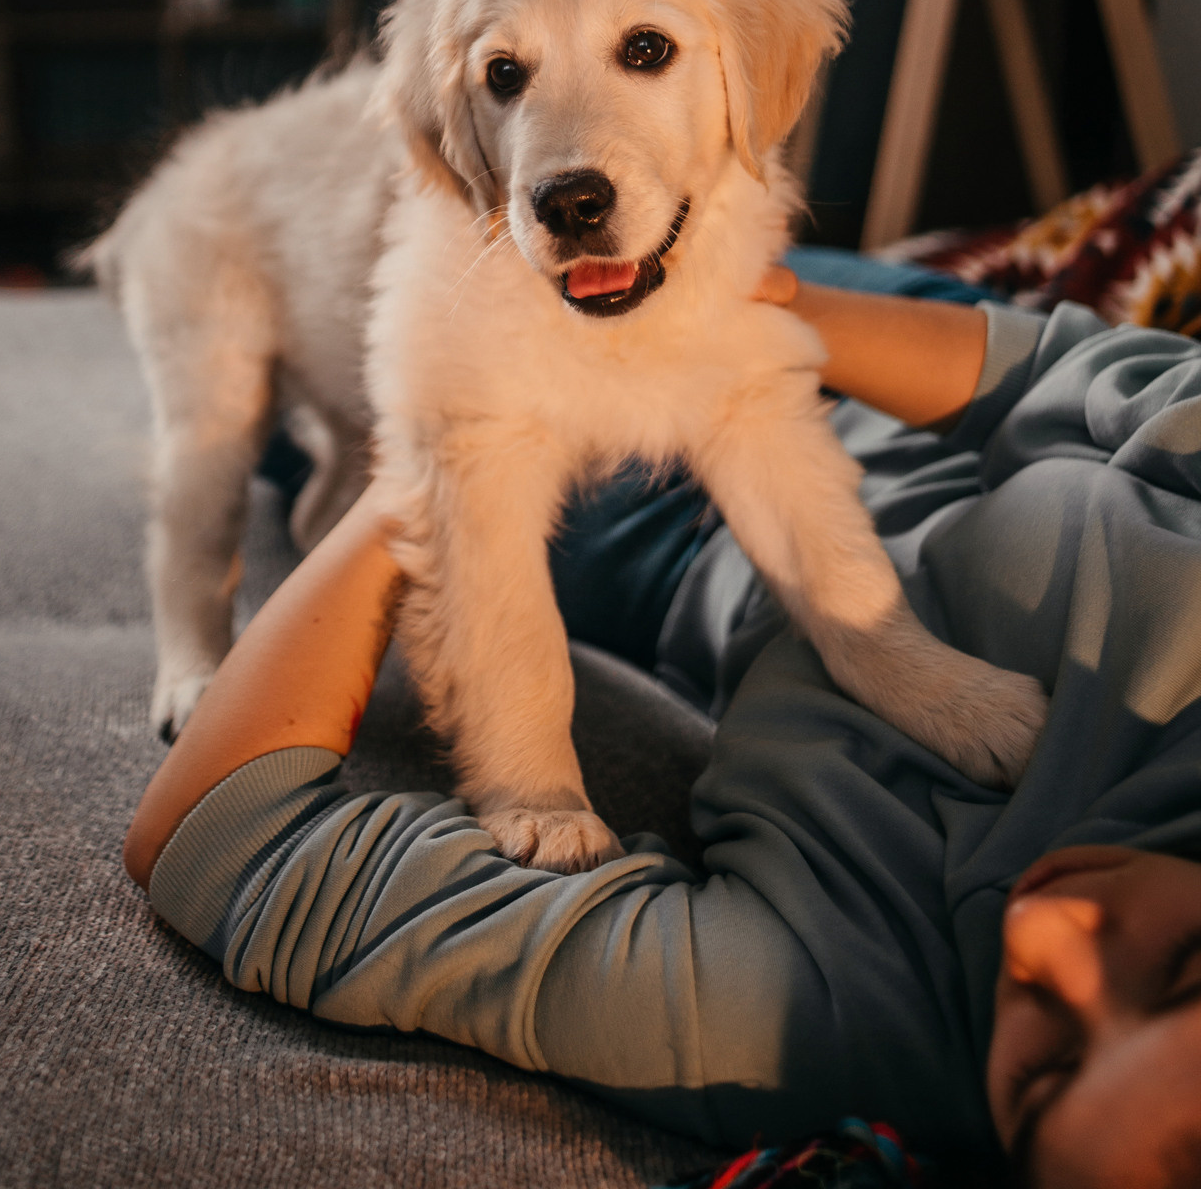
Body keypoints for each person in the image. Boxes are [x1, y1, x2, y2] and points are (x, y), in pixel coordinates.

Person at [124, 261, 1201, 1189]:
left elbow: (223, 840)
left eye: (1040, 1075)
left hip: (671, 521)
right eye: (1186, 965)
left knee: (283, 360)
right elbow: (1089, 378)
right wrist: (751, 299)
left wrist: (448, 446)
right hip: (881, 342)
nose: (1043, 931)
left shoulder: (808, 1022)